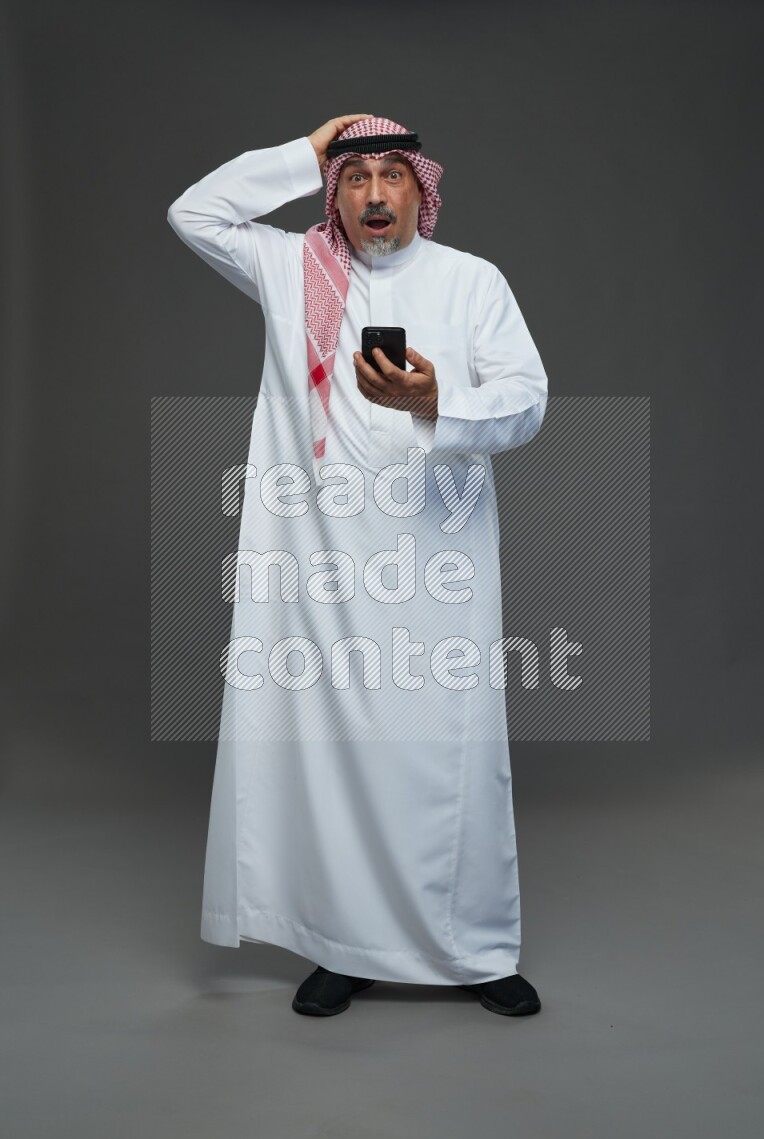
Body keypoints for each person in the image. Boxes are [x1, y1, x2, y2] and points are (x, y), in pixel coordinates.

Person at [167, 114, 549, 1017]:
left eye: (392, 175)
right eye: (354, 177)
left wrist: (435, 400)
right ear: (334, 194)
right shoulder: (295, 269)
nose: (376, 194)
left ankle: (475, 949)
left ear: (423, 187)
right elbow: (196, 214)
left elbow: (527, 400)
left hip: (434, 565)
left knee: (447, 759)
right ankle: (345, 943)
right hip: (320, 572)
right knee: (335, 758)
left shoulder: (470, 282)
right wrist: (305, 149)